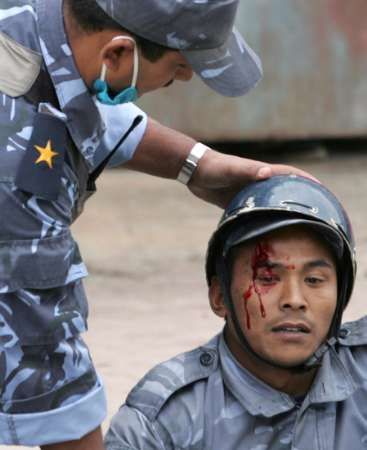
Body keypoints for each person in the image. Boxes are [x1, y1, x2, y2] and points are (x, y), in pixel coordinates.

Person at [0, 1, 311, 449]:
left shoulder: (41, 21)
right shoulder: (18, 174)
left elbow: (73, 99)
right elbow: (41, 355)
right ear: (118, 55)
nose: (183, 79)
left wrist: (199, 165)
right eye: (180, 65)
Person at [105, 175, 364, 450]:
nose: (295, 300)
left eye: (314, 280)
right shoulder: (162, 422)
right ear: (220, 297)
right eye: (266, 278)